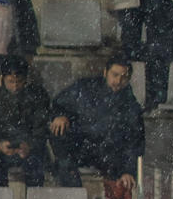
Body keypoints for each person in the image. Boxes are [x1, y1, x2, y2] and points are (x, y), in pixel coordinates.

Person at [47, 60, 144, 189]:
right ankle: (73, 195)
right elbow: (58, 103)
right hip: (80, 146)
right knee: (60, 137)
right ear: (105, 72)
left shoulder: (130, 105)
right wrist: (60, 115)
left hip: (107, 154)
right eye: (114, 75)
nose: (118, 81)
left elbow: (135, 141)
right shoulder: (85, 88)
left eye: (124, 77)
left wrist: (128, 171)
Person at [0, 59, 52, 187]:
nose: (15, 86)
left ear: (25, 79)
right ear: (3, 79)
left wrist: (29, 146)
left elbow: (41, 128)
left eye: (19, 82)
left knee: (36, 168)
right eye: (11, 82)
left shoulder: (37, 95)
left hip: (29, 148)